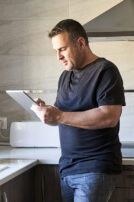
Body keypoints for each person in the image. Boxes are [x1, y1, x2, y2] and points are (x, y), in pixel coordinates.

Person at [31, 19, 126, 202]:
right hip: (68, 168)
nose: (58, 56)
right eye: (55, 51)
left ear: (81, 43)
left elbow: (109, 117)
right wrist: (46, 113)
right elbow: (62, 117)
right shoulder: (65, 76)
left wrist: (58, 115)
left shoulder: (105, 71)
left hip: (95, 168)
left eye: (62, 49)